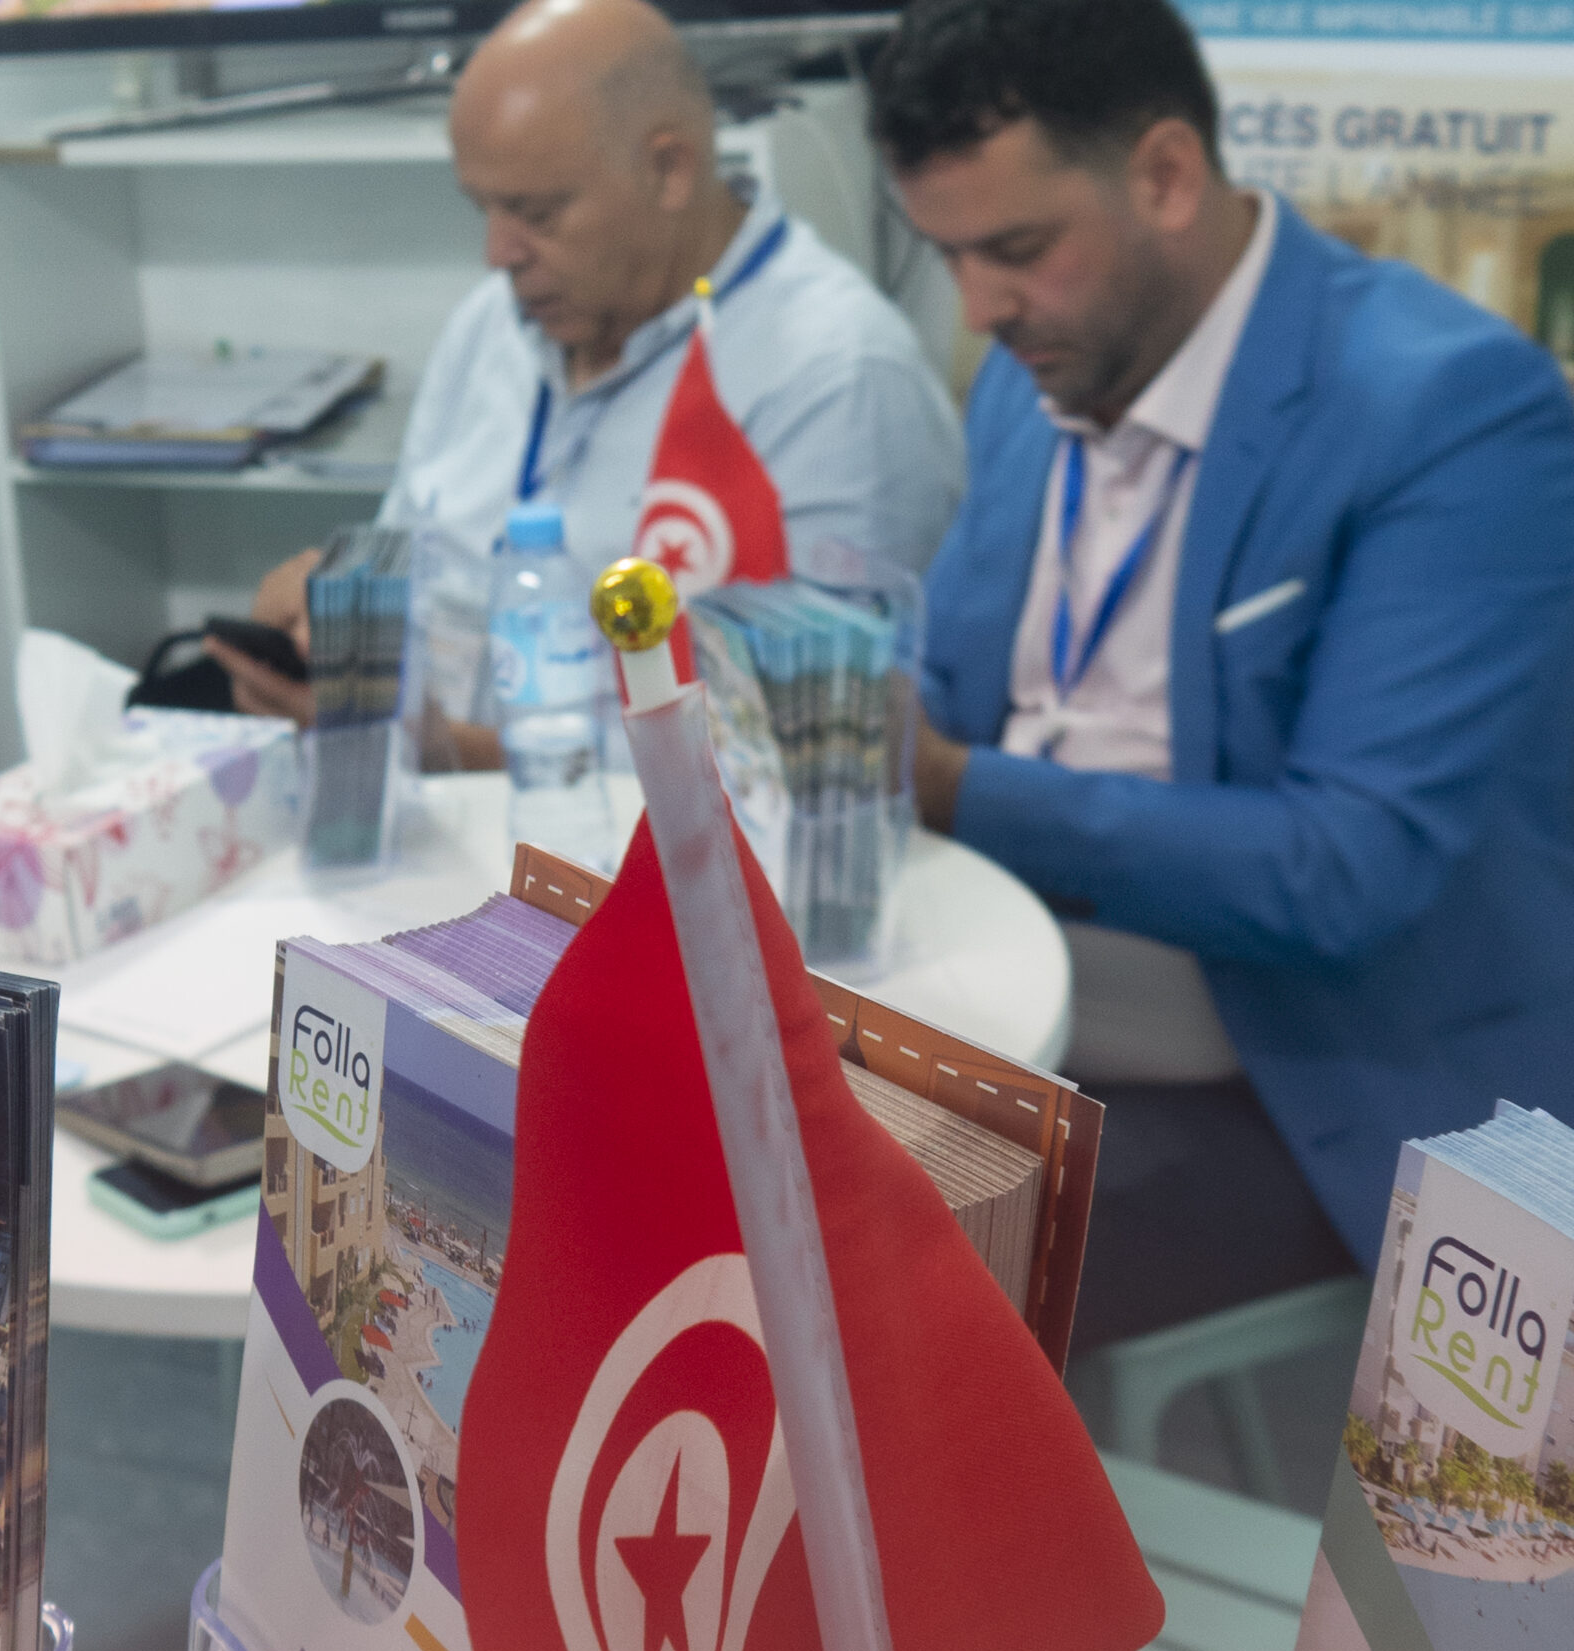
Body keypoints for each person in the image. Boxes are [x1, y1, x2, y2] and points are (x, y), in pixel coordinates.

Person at [873, 0, 1574, 1350]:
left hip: (1300, 1077)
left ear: (1165, 175)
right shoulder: (1037, 370)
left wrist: (955, 788)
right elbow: (951, 682)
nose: (977, 308)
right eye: (948, 254)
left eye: (1014, 249)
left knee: (859, 1280)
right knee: (682, 1161)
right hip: (1011, 1011)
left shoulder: (1452, 411)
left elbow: (1344, 873)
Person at [206, 0, 964, 730]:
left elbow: (816, 748)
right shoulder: (491, 325)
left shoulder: (837, 377)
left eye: (536, 214)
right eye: (484, 209)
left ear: (668, 170)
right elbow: (412, 579)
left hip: (635, 819)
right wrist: (331, 622)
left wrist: (453, 754)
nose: (498, 253)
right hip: (433, 793)